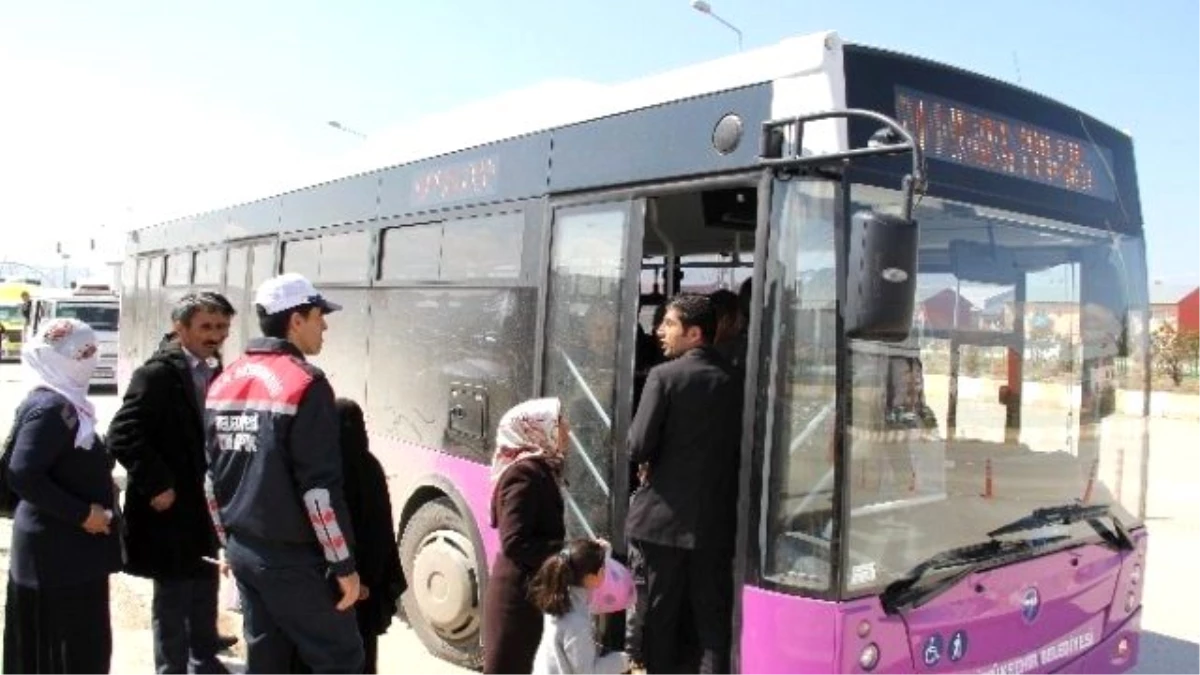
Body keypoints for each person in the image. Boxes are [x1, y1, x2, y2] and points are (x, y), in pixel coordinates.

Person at [203, 272, 364, 675]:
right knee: (341, 659)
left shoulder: (225, 380)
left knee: (267, 659)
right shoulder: (305, 383)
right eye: (318, 315)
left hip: (244, 552)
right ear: (296, 319)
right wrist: (344, 566)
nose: (324, 325)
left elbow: (211, 480)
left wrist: (226, 545)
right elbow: (319, 493)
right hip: (292, 559)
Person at [107, 292, 237, 675]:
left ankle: (204, 660)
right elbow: (123, 433)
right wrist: (157, 483)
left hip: (204, 502)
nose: (215, 335)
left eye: (222, 327)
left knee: (203, 583)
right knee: (174, 595)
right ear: (180, 328)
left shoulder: (215, 368)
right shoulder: (158, 374)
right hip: (171, 505)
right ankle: (172, 668)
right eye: (206, 327)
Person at [625, 293, 742, 675]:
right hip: (715, 524)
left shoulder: (664, 376)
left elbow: (638, 444)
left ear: (695, 334)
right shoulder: (735, 379)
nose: (660, 331)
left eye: (669, 324)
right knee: (711, 623)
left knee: (661, 618)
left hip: (662, 524)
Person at [2, 318, 123, 675]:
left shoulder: (67, 403)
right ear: (48, 358)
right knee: (62, 650)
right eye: (76, 354)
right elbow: (22, 474)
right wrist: (82, 513)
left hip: (67, 554)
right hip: (56, 555)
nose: (86, 360)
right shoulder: (52, 409)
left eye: (90, 351)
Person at [290, 398, 407, 675]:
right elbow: (380, 533)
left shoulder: (319, 471)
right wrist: (369, 579)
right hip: (362, 588)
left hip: (328, 582)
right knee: (360, 655)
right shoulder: (371, 468)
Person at [482, 398, 569, 675]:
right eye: (560, 424)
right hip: (515, 598)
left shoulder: (541, 468)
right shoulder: (524, 474)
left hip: (528, 591)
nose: (568, 431)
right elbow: (514, 541)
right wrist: (566, 552)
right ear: (536, 429)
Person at [529, 538, 630, 675]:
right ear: (593, 576)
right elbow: (587, 672)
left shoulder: (561, 595)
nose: (605, 571)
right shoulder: (577, 624)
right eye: (603, 568)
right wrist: (623, 660)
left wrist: (601, 553)